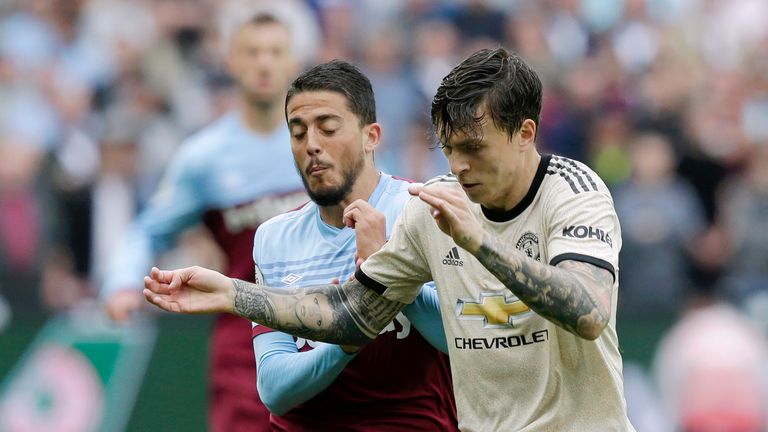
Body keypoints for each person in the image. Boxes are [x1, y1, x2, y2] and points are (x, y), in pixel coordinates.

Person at [144, 47, 635, 431]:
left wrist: (480, 242)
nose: (458, 165)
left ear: (525, 133)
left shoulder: (573, 191)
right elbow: (351, 313)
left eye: (473, 148)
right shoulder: (432, 208)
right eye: (448, 149)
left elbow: (588, 313)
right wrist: (233, 293)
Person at [101, 13, 308, 431]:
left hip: (321, 337)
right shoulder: (205, 158)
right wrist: (122, 284)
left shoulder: (322, 141)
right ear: (230, 62)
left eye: (275, 52)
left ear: (293, 63)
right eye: (252, 52)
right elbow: (148, 229)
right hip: (245, 348)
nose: (264, 63)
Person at [250, 59, 456, 430]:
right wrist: (347, 335)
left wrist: (388, 272)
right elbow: (274, 388)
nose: (312, 144)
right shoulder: (273, 239)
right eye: (298, 133)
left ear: (371, 136)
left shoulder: (422, 210)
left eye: (327, 128)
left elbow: (463, 341)